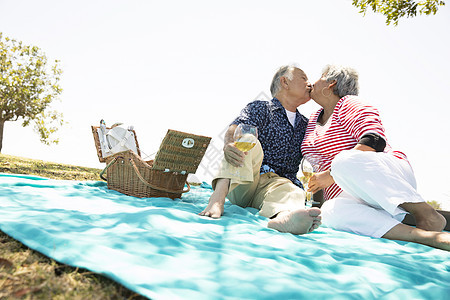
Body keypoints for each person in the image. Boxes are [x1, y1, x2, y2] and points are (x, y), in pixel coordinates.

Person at [301, 64, 450, 251]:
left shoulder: (348, 103)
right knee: (329, 212)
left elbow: (375, 140)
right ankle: (425, 236)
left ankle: (424, 213)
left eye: (319, 77)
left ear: (331, 83)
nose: (312, 83)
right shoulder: (313, 119)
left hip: (387, 178)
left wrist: (329, 175)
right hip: (357, 196)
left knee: (342, 162)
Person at [199, 64, 322, 234]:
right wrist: (228, 144)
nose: (310, 84)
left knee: (294, 191)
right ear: (285, 82)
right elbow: (234, 130)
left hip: (276, 187)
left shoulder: (306, 124)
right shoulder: (261, 108)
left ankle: (284, 218)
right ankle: (218, 198)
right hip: (245, 181)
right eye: (304, 78)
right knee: (247, 139)